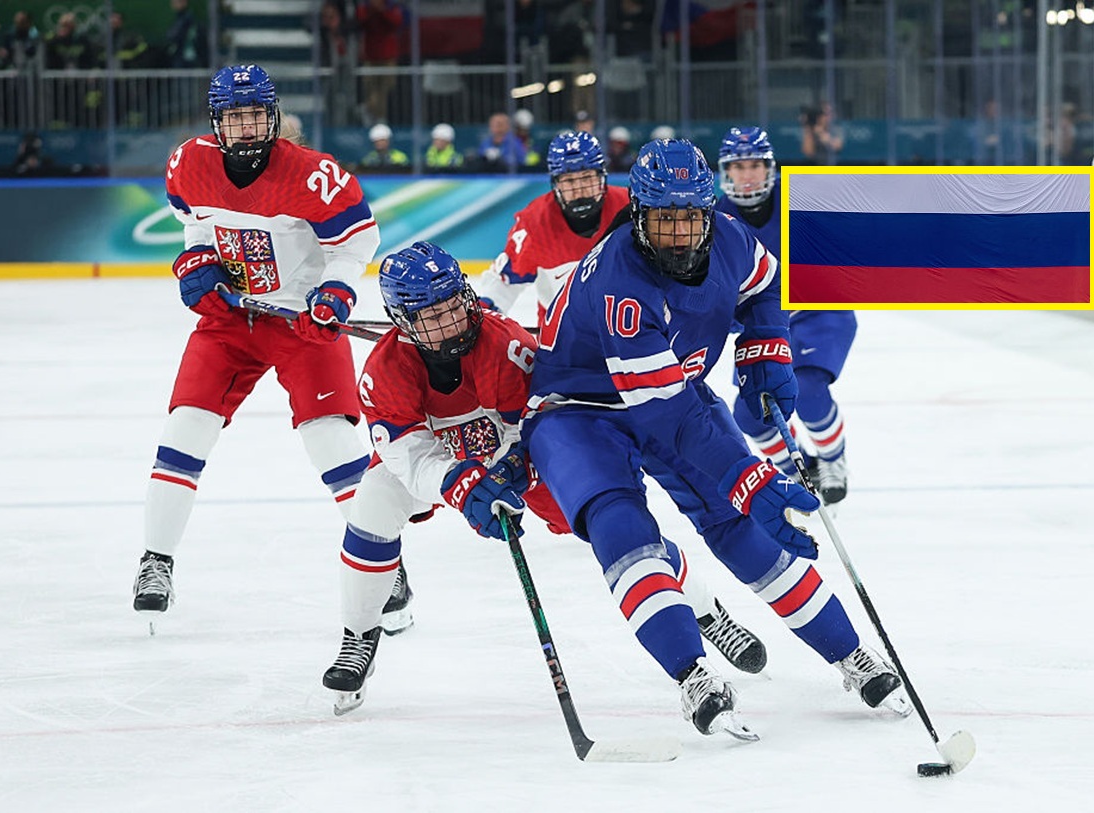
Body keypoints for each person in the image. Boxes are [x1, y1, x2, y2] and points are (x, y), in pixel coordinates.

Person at [523, 138, 909, 740]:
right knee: (624, 528)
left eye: (690, 216)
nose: (679, 232)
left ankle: (848, 654)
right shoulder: (622, 283)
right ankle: (691, 674)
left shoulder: (731, 237)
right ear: (639, 217)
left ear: (709, 210)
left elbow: (762, 288)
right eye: (664, 219)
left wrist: (766, 348)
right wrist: (748, 477)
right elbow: (671, 417)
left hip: (669, 387)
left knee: (743, 527)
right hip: (580, 410)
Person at [321, 242, 766, 714]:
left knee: (614, 530)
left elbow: (538, 425)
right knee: (373, 502)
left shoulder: (506, 345)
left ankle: (704, 609)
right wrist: (457, 481)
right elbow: (407, 454)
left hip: (517, 461)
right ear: (403, 320)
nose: (451, 321)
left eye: (454, 304)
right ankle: (359, 633)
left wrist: (514, 467)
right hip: (445, 465)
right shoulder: (383, 372)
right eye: (433, 316)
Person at [132, 64, 380, 626]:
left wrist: (334, 291)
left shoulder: (314, 175)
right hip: (231, 320)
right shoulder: (187, 163)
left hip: (301, 322)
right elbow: (196, 226)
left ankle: (382, 560)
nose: (245, 128)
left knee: (331, 444)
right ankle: (156, 560)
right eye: (234, 117)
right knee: (184, 428)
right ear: (216, 122)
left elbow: (357, 242)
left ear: (272, 117)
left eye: (255, 116)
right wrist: (196, 262)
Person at [716, 126, 855, 503]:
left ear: (770, 168)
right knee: (748, 416)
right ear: (726, 172)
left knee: (807, 388)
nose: (747, 174)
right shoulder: (714, 222)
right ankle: (799, 469)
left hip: (817, 313)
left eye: (755, 165)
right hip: (762, 325)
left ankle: (832, 460)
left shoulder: (801, 202)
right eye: (738, 166)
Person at [474, 130, 628, 324]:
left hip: (624, 327)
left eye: (587, 177)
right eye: (569, 180)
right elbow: (505, 282)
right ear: (555, 184)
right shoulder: (534, 223)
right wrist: (483, 317)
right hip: (561, 335)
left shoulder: (630, 208)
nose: (580, 190)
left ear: (602, 177)